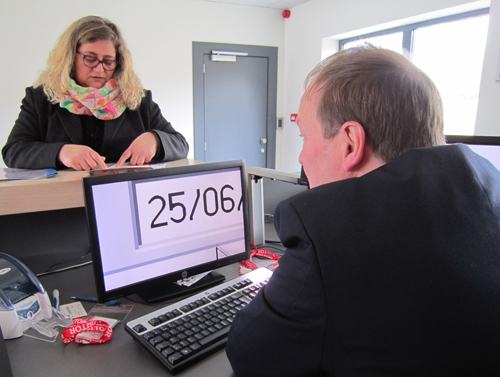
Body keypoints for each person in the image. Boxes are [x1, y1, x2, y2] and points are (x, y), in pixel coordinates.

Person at [226, 46, 500, 376]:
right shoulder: (485, 189)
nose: (301, 157)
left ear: (351, 144)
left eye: (304, 137)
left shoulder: (331, 234)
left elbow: (250, 354)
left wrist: (296, 285)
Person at [2, 16, 188, 171]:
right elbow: (13, 151)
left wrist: (155, 140)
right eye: (90, 59)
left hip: (121, 201)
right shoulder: (41, 98)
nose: (99, 69)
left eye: (108, 61)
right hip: (62, 205)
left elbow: (180, 144)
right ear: (70, 57)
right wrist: (61, 153)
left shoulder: (137, 99)